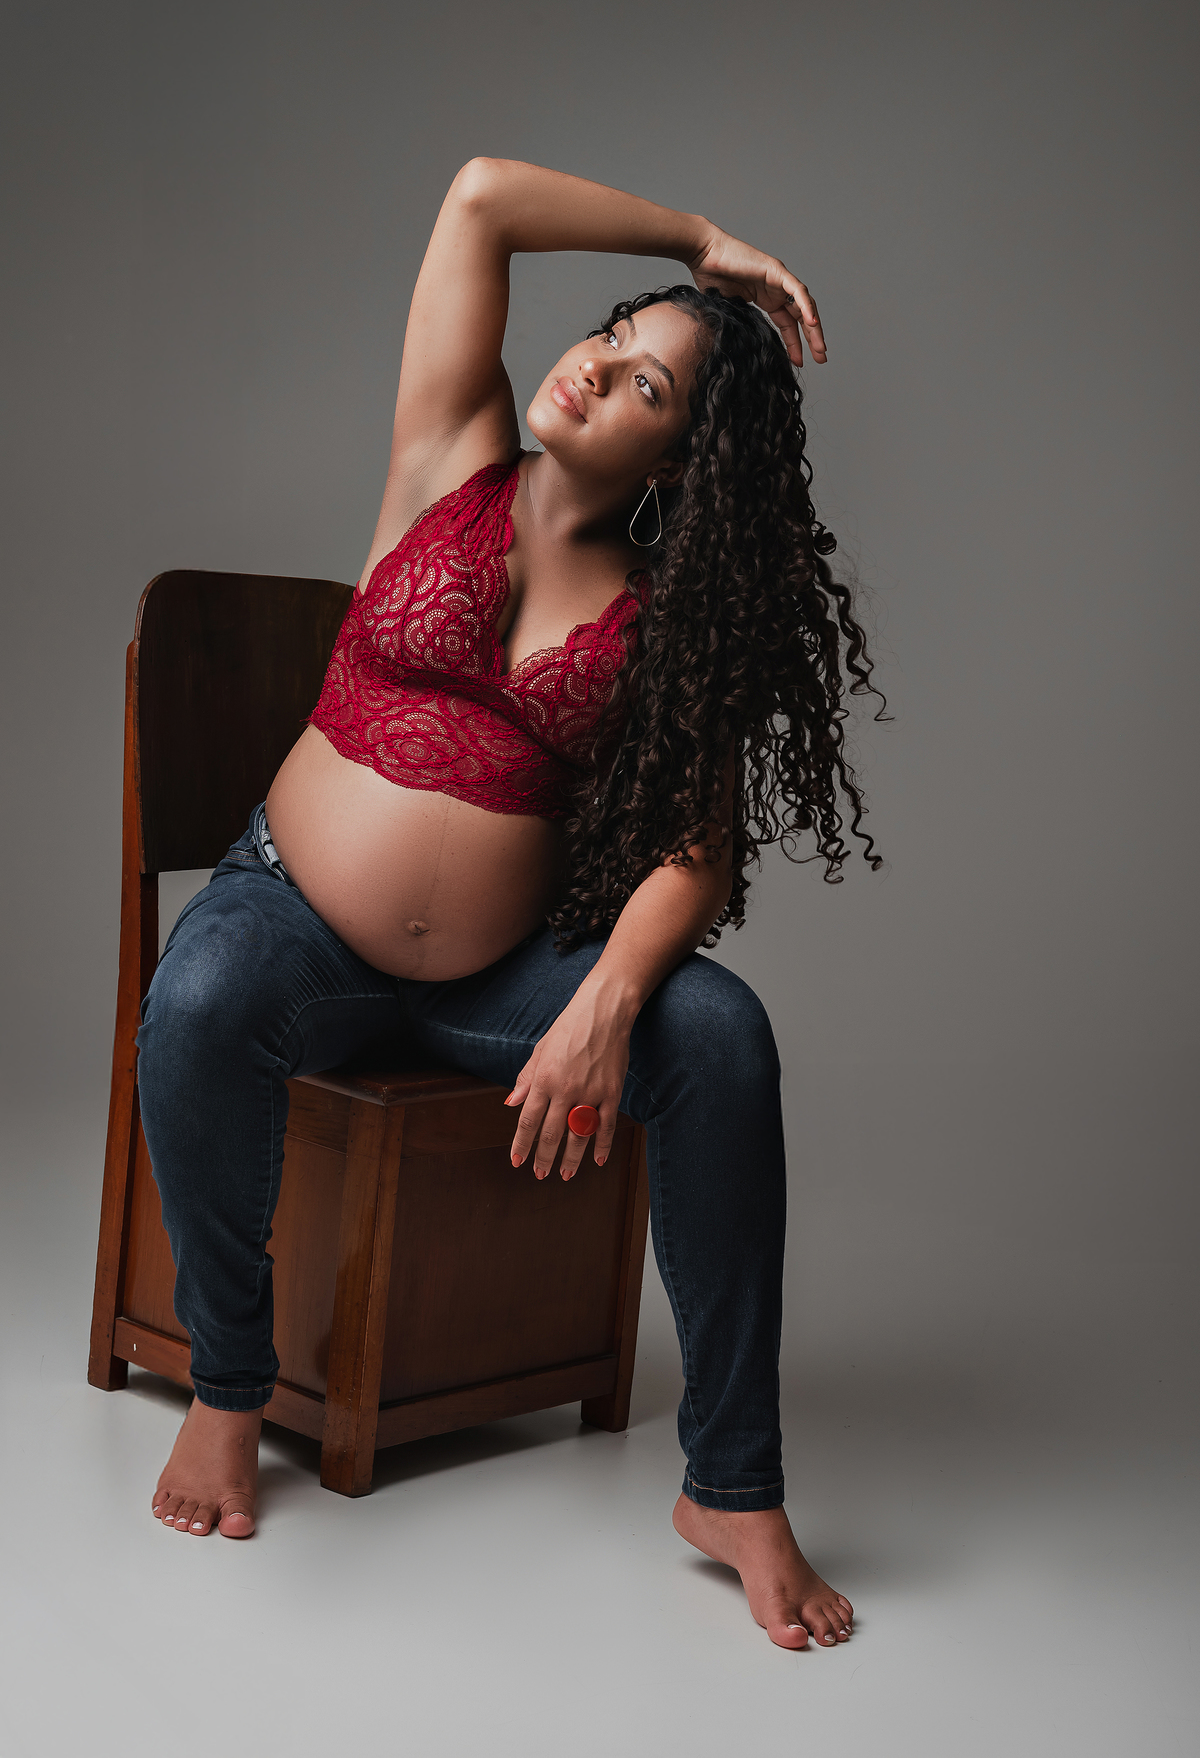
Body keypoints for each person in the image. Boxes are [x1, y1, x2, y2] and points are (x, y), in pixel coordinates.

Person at [136, 158, 884, 1652]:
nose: (595, 366)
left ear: (679, 462)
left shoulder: (668, 617)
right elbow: (481, 196)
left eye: (648, 385)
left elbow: (698, 852)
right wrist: (701, 244)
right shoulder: (449, 453)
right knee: (200, 997)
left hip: (498, 982)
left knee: (722, 1037)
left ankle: (732, 1488)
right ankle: (228, 1387)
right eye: (610, 332)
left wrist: (607, 1002)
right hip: (295, 922)